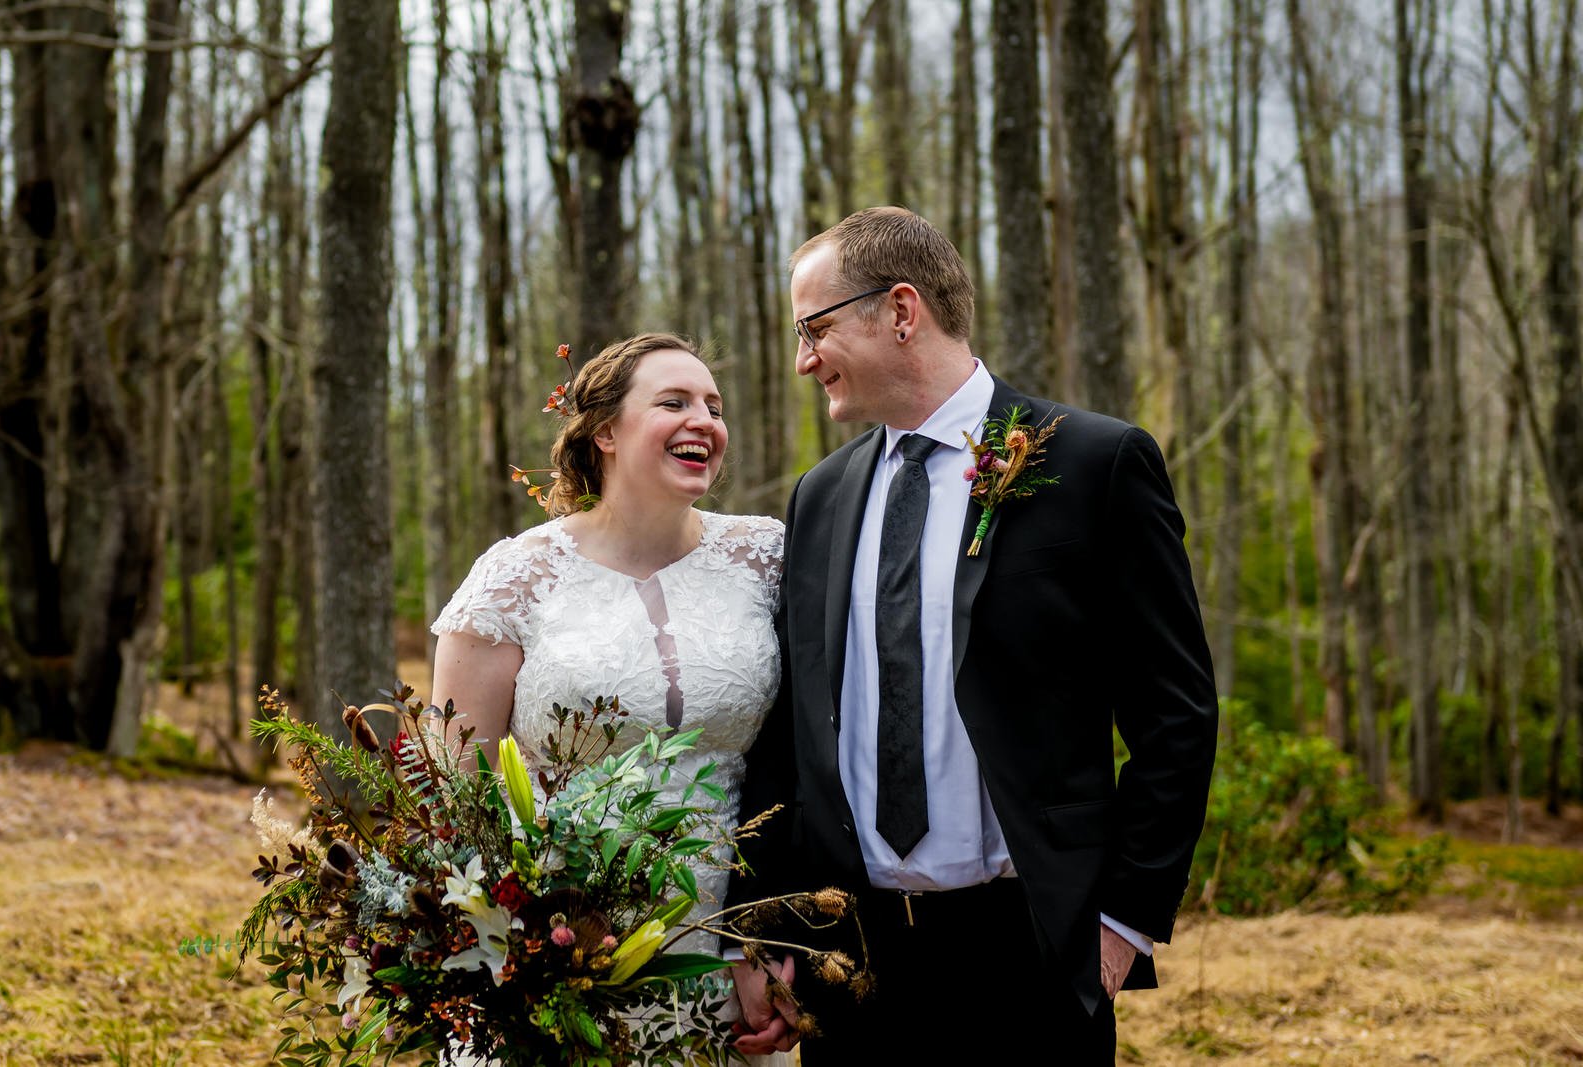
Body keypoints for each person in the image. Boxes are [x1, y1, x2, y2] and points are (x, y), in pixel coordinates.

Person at [730, 208, 1218, 1064]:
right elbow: (794, 730)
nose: (802, 358)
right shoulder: (820, 497)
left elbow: (1174, 713)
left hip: (1028, 947)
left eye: (814, 328)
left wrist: (1118, 926)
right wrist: (774, 933)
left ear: (902, 311)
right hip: (855, 962)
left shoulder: (1095, 466)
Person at [428, 333, 791, 1065]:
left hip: (726, 957)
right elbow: (451, 795)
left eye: (714, 406)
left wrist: (776, 944)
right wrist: (525, 933)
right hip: (555, 955)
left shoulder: (768, 558)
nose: (705, 420)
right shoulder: (516, 576)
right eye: (674, 402)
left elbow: (805, 760)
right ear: (605, 433)